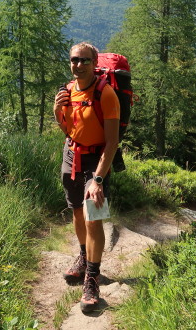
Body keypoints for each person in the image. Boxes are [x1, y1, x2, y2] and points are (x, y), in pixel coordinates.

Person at [53, 42, 120, 313]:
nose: (78, 65)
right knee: (78, 214)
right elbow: (68, 130)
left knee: (94, 219)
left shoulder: (107, 94)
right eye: (74, 60)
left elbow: (112, 143)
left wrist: (99, 180)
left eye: (84, 60)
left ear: (95, 63)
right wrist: (57, 111)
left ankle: (92, 279)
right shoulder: (67, 91)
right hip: (71, 157)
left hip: (98, 161)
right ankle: (83, 257)